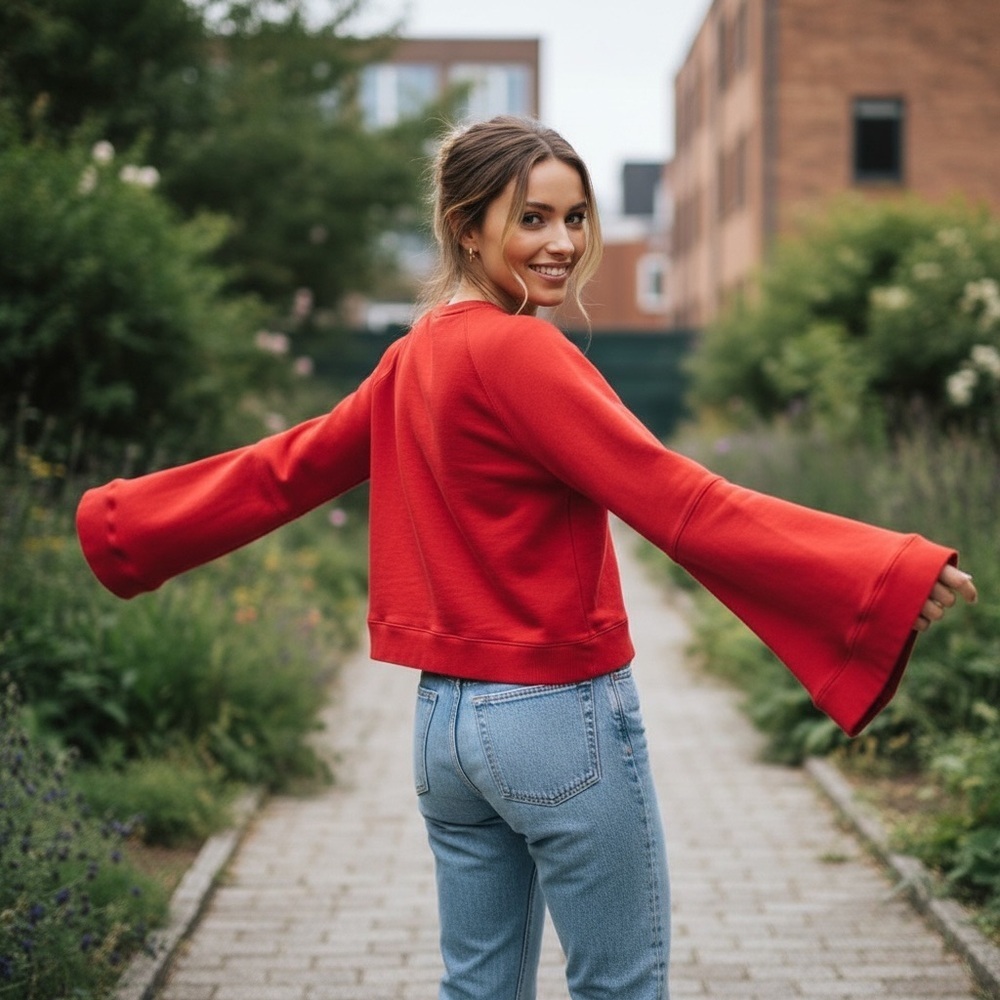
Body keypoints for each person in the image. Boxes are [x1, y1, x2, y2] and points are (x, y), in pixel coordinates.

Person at [76, 115, 976, 1000]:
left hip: (445, 733)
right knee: (620, 987)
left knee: (478, 988)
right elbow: (681, 503)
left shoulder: (413, 355)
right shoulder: (523, 354)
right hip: (557, 720)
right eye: (532, 218)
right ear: (467, 228)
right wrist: (878, 574)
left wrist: (127, 529)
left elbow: (285, 472)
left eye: (575, 217)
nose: (562, 244)